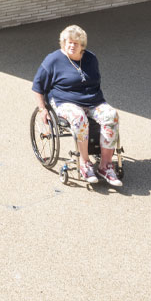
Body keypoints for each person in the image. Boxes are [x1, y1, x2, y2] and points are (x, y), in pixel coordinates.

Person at [32, 25, 122, 187]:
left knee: (111, 115)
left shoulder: (90, 59)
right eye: (68, 42)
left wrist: (93, 103)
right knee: (79, 117)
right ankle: (85, 163)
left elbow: (95, 82)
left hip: (93, 102)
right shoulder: (53, 60)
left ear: (82, 46)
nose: (71, 45)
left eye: (76, 43)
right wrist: (42, 108)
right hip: (65, 102)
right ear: (63, 42)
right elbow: (38, 86)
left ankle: (105, 165)